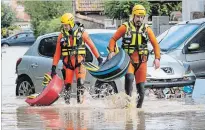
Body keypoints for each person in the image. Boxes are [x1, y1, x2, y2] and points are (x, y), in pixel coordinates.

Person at [108, 4, 161, 108]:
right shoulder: (125, 27)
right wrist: (111, 51)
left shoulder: (147, 29)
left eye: (142, 17)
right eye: (138, 17)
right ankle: (128, 110)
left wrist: (157, 58)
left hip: (142, 62)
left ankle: (138, 112)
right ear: (133, 16)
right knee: (129, 78)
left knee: (141, 90)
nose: (140, 19)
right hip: (129, 61)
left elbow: (155, 44)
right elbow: (113, 39)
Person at [51, 13, 103, 104]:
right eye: (63, 25)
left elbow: (92, 46)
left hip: (80, 63)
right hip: (67, 65)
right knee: (67, 86)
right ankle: (67, 107)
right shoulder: (61, 36)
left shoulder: (82, 33)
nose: (64, 27)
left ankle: (80, 106)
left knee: (80, 84)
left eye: (66, 25)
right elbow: (57, 53)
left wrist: (99, 59)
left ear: (71, 23)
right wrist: (53, 67)